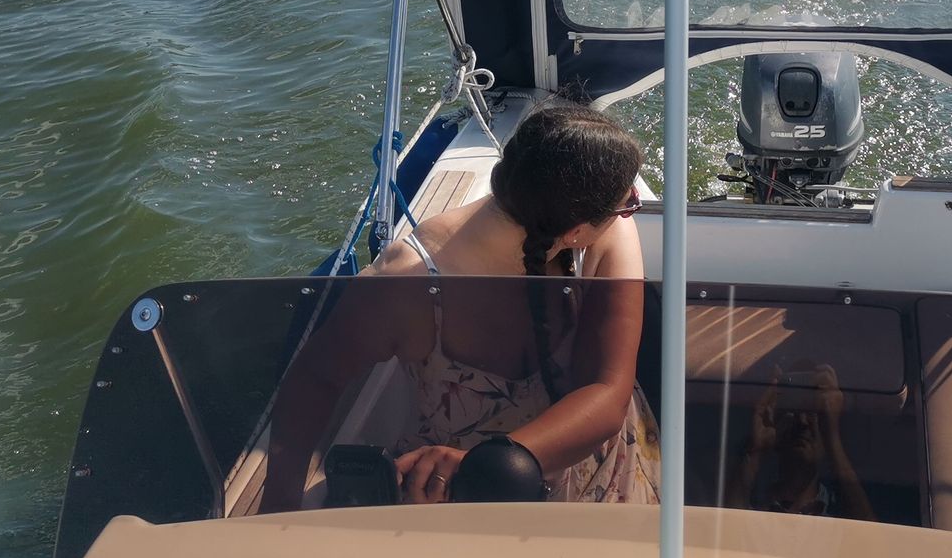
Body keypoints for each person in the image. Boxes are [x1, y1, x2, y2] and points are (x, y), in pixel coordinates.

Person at [260, 100, 661, 510]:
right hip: (457, 488)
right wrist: (279, 503)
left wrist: (489, 462)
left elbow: (607, 393)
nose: (631, 206)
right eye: (627, 202)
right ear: (575, 231)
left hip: (549, 469)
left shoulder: (608, 233)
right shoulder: (407, 282)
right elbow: (316, 378)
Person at [729, 364, 873, 522]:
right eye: (792, 409)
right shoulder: (754, 513)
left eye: (813, 412)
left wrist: (833, 438)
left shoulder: (843, 519)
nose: (802, 421)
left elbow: (870, 534)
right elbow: (725, 527)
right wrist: (756, 449)